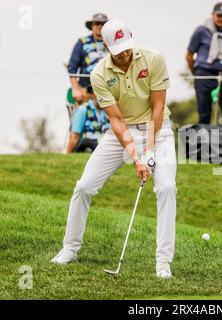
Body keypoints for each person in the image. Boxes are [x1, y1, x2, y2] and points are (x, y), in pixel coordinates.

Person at [51, 19, 177, 279]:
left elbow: (157, 107)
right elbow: (117, 120)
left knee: (166, 188)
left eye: (128, 46)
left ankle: (163, 262)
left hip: (159, 131)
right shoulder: (99, 74)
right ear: (106, 46)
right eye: (119, 49)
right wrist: (136, 157)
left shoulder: (154, 59)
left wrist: (150, 151)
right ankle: (69, 249)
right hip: (122, 132)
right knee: (84, 186)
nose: (126, 54)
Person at [186, 2, 222, 128]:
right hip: (203, 73)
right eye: (218, 15)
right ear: (213, 15)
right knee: (204, 115)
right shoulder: (201, 31)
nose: (221, 18)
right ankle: (203, 147)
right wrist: (196, 74)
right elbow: (189, 55)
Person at [67, 13, 109, 103]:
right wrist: (75, 89)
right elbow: (72, 68)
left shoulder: (113, 43)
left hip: (110, 91)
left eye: (103, 24)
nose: (100, 26)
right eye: (97, 23)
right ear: (92, 26)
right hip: (86, 91)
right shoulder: (82, 42)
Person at [66, 86, 110, 153]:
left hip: (106, 147)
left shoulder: (110, 111)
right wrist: (68, 155)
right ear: (92, 93)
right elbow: (74, 137)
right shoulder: (83, 109)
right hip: (87, 147)